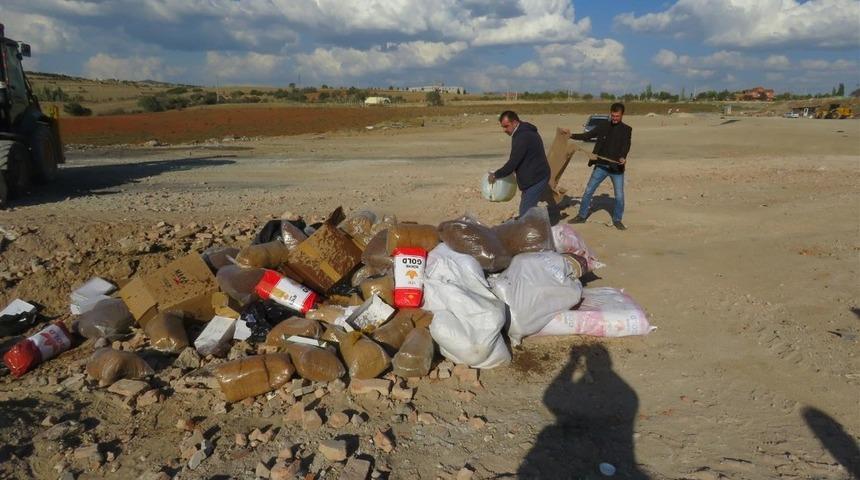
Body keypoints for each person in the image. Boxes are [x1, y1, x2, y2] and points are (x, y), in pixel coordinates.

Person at [563, 102, 632, 230]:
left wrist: (623, 157)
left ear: (622, 115)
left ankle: (617, 220)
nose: (615, 118)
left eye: (617, 116)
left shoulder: (627, 129)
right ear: (610, 114)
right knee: (589, 190)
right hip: (601, 166)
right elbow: (587, 136)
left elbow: (626, 146)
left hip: (616, 170)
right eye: (613, 116)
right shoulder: (604, 125)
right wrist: (571, 135)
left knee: (619, 196)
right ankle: (581, 216)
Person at [489, 110, 560, 224]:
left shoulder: (523, 136)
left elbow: (513, 162)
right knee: (528, 206)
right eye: (503, 127)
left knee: (525, 214)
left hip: (536, 178)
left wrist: (496, 174)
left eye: (506, 126)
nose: (504, 130)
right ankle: (543, 219)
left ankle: (532, 235)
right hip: (535, 175)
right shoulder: (523, 132)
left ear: (515, 122)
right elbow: (521, 158)